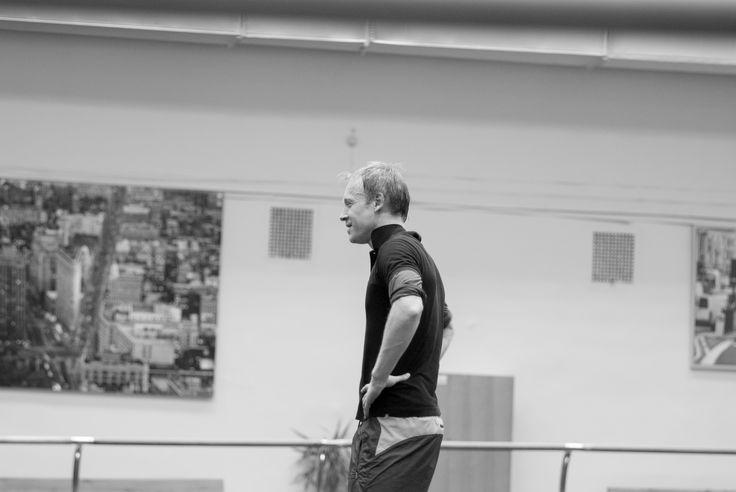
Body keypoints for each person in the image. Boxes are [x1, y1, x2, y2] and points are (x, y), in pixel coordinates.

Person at [339, 162, 454, 492]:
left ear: (376, 201)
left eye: (349, 203)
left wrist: (378, 378)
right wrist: (414, 369)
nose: (343, 215)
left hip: (394, 426)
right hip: (414, 424)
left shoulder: (396, 249)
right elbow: (445, 328)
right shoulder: (418, 254)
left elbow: (408, 307)